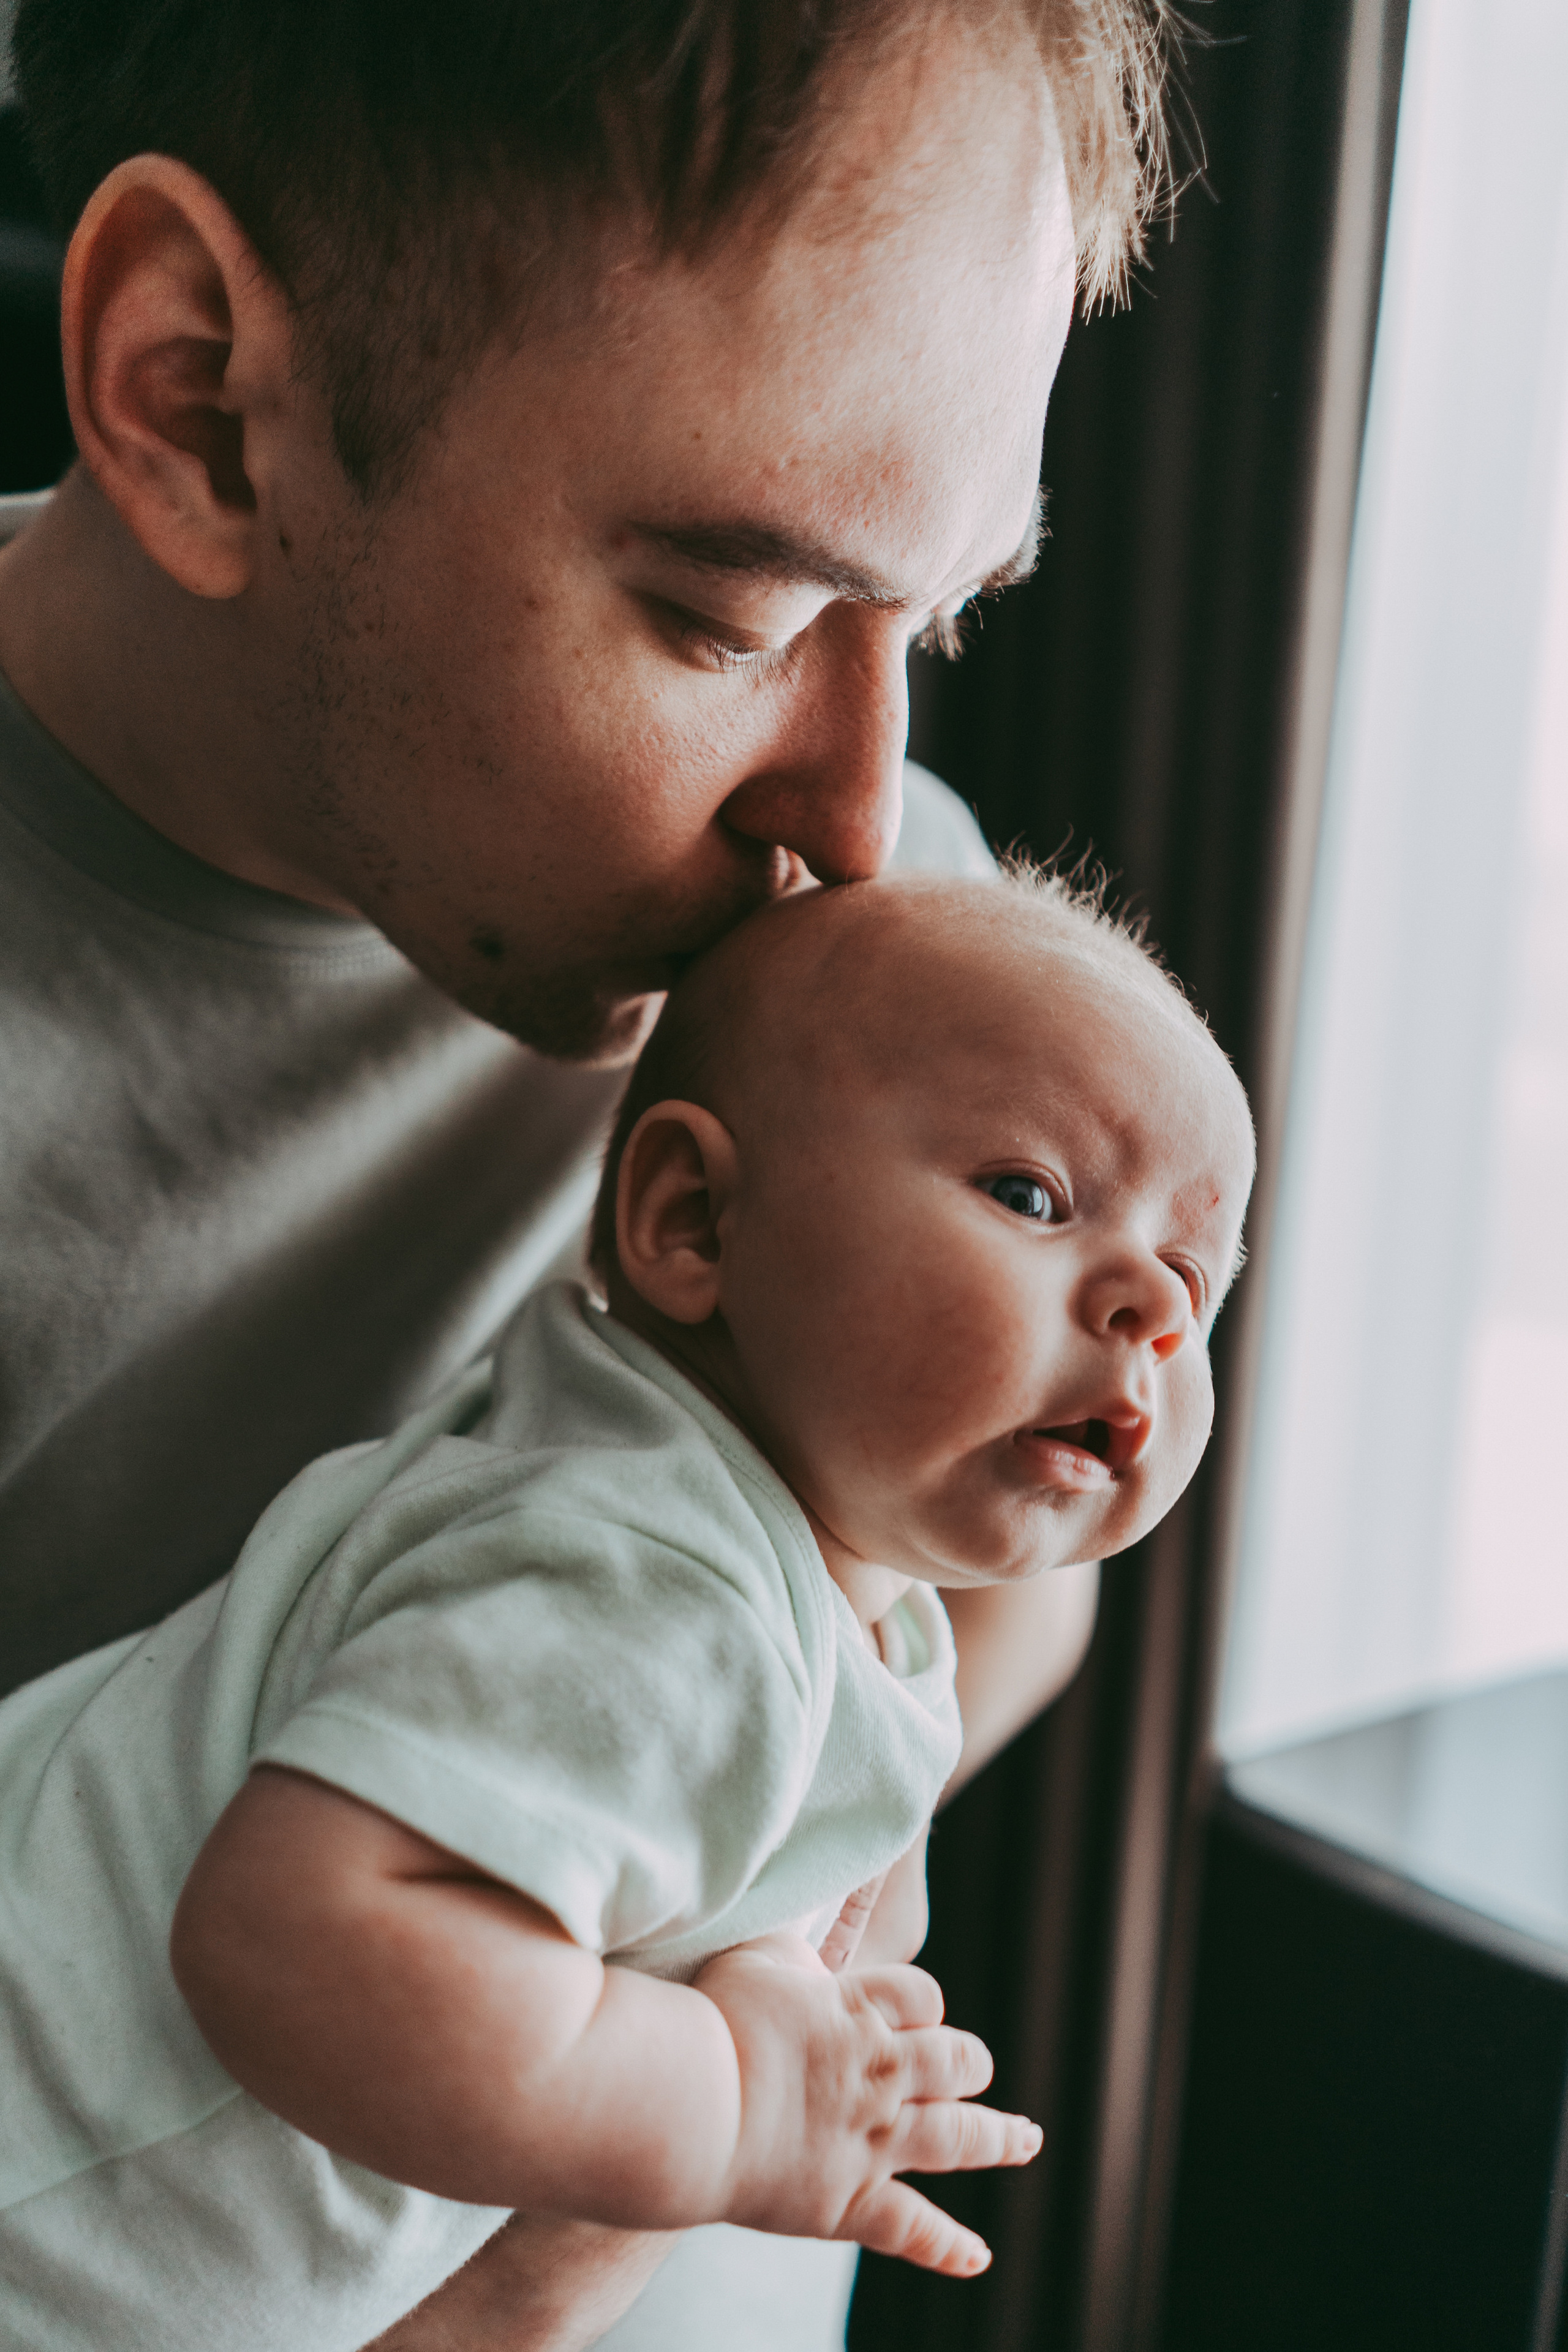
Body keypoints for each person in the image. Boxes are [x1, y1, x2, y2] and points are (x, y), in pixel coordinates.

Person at [0, 3, 1172, 2345]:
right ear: (197, 398)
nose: (862, 825)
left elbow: (1002, 1584)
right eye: (729, 617)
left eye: (932, 619)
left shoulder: (866, 979)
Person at [0, 868, 1255, 2352]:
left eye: (1191, 1276)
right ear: (691, 1219)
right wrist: (731, 2101)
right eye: (1031, 1195)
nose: (1148, 1313)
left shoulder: (778, 1555)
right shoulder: (655, 1579)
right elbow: (297, 1931)